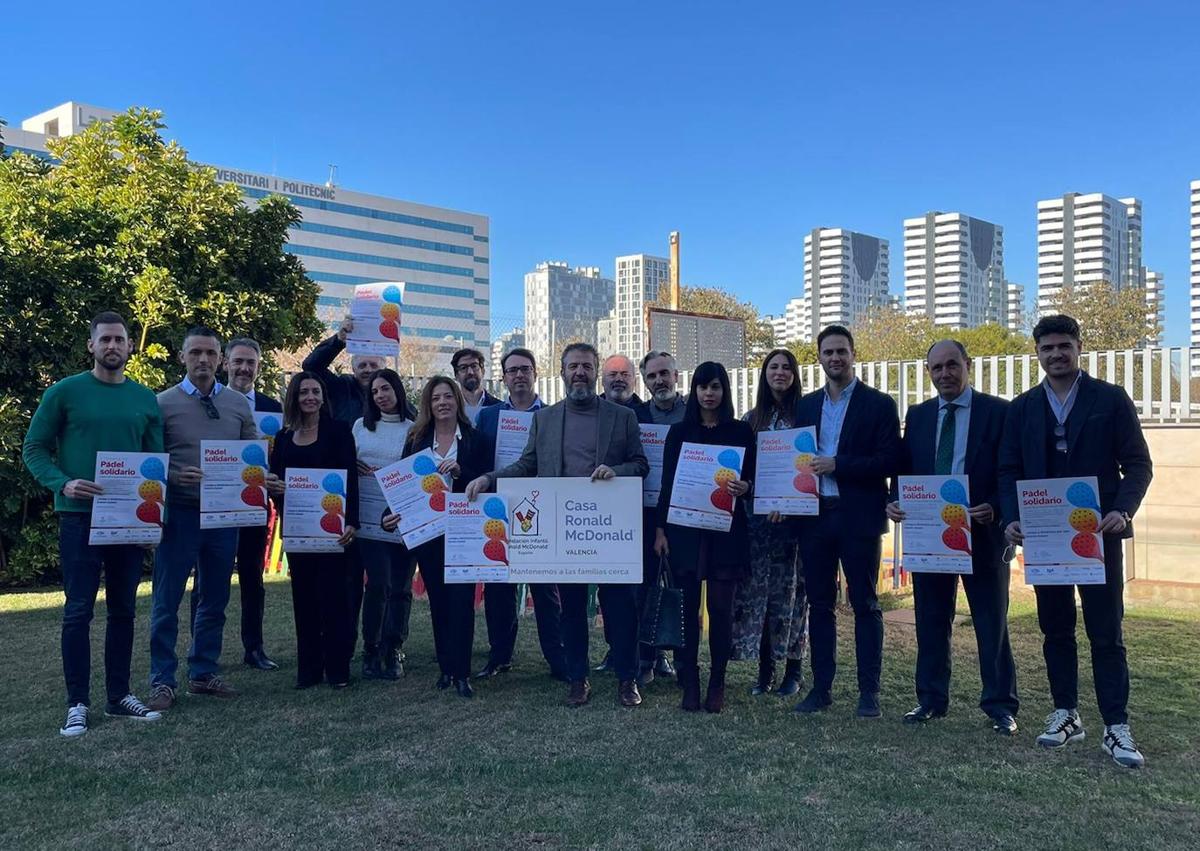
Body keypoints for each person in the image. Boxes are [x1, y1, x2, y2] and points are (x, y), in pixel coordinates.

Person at [998, 314, 1152, 768]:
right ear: (1038, 353)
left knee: (1107, 632)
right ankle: (1065, 714)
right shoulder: (1022, 408)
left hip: (1097, 536)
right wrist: (1010, 518)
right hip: (1046, 539)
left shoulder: (1110, 399)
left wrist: (1121, 511)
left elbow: (1138, 465)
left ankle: (1115, 724)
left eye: (1064, 346)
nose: (1056, 355)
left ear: (1079, 348)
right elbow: (1008, 470)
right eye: (1047, 348)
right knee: (1056, 630)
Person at [466, 342, 649, 708]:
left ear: (595, 371)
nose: (579, 372)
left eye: (586, 366)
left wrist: (617, 471)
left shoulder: (622, 417)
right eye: (572, 366)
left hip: (609, 528)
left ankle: (628, 679)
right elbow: (526, 465)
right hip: (564, 529)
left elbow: (641, 464)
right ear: (562, 372)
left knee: (620, 607)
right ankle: (577, 678)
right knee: (573, 607)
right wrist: (490, 478)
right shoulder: (544, 420)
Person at [23, 311, 165, 736]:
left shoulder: (144, 398)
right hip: (79, 519)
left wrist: (155, 519)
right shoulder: (64, 392)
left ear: (129, 346)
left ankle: (119, 695)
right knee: (78, 611)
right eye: (105, 340)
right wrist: (63, 484)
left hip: (127, 522)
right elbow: (34, 449)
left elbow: (154, 465)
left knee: (123, 610)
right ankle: (77, 703)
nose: (113, 346)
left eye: (119, 340)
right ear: (91, 345)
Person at [887, 340, 1019, 735]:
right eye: (936, 368)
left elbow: (1010, 470)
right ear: (928, 372)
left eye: (951, 365)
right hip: (930, 535)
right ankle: (930, 699)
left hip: (982, 533)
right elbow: (905, 469)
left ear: (968, 365)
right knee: (930, 618)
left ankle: (1000, 705)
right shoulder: (920, 414)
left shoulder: (998, 412)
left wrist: (995, 507)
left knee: (990, 619)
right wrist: (894, 499)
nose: (944, 374)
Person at [147, 328, 259, 711]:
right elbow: (146, 463)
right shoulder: (161, 404)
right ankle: (162, 680)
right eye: (195, 352)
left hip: (224, 515)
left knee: (214, 597)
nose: (203, 360)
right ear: (182, 357)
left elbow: (253, 455)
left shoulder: (238, 405)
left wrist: (264, 477)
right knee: (167, 598)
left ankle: (202, 671)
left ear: (221, 359)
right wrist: (172, 476)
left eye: (211, 353)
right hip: (179, 513)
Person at [793, 325, 901, 718]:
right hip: (816, 517)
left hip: (859, 517)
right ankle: (821, 689)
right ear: (819, 358)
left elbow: (889, 461)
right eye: (828, 352)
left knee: (865, 603)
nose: (835, 358)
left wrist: (839, 465)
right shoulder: (805, 406)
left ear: (853, 355)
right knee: (818, 604)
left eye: (841, 351)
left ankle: (868, 693)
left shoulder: (879, 404)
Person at [654, 362, 756, 713]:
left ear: (724, 391)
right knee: (686, 611)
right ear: (694, 391)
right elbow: (666, 485)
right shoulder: (679, 433)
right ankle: (690, 680)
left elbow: (754, 481)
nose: (708, 394)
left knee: (721, 610)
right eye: (702, 387)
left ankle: (717, 681)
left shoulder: (741, 432)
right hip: (684, 533)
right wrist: (660, 530)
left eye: (715, 387)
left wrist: (746, 487)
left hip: (726, 534)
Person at [384, 376, 493, 698]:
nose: (442, 402)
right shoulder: (417, 439)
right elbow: (402, 487)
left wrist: (463, 474)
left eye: (448, 396)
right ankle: (446, 668)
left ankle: (462, 673)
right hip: (429, 533)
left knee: (462, 601)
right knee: (439, 602)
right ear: (428, 405)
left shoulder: (477, 439)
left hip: (465, 531)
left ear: (457, 401)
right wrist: (387, 516)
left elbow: (491, 483)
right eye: (436, 398)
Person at [473, 348, 567, 681]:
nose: (519, 376)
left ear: (535, 374)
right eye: (512, 370)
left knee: (546, 589)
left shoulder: (556, 415)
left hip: (541, 507)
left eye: (525, 369)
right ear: (503, 377)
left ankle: (557, 659)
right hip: (499, 508)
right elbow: (481, 460)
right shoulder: (488, 416)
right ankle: (499, 656)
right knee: (499, 588)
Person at [266, 371, 359, 688]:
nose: (310, 397)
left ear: (323, 397)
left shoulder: (338, 431)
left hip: (333, 529)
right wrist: (273, 486)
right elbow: (275, 481)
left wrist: (352, 521)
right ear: (294, 396)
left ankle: (337, 669)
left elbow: (351, 478)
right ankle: (308, 668)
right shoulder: (283, 437)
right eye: (304, 391)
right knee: (303, 600)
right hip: (298, 529)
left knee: (334, 600)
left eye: (315, 391)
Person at [732, 348, 808, 698]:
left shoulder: (807, 416)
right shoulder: (751, 420)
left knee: (792, 596)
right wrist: (754, 493)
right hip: (758, 525)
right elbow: (743, 471)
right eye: (773, 367)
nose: (779, 372)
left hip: (796, 525)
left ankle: (794, 670)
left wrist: (790, 504)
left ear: (794, 374)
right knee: (760, 596)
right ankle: (766, 671)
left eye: (786, 367)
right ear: (764, 374)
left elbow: (811, 469)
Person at [625, 350, 687, 685]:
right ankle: (646, 659)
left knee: (682, 588)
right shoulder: (634, 416)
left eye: (664, 373)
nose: (659, 380)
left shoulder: (693, 413)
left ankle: (683, 661)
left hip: (685, 514)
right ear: (645, 381)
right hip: (645, 513)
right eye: (652, 376)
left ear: (676, 376)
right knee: (645, 588)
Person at [222, 337, 282, 671]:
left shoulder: (273, 408)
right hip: (215, 503)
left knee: (252, 578)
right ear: (225, 363)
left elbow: (281, 454)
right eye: (238, 361)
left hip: (254, 504)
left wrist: (276, 475)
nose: (245, 368)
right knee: (208, 580)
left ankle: (254, 648)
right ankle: (205, 650)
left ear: (259, 367)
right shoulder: (209, 402)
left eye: (251, 363)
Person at [352, 368, 416, 681]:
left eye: (386, 389)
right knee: (377, 585)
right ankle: (371, 647)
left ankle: (394, 648)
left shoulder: (415, 428)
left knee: (401, 588)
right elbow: (345, 463)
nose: (380, 395)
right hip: (368, 519)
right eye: (375, 391)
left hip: (403, 519)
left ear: (397, 391)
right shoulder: (360, 427)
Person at [451, 347, 501, 423]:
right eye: (463, 368)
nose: (470, 372)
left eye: (474, 366)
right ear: (456, 376)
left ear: (483, 371)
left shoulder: (499, 408)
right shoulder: (450, 408)